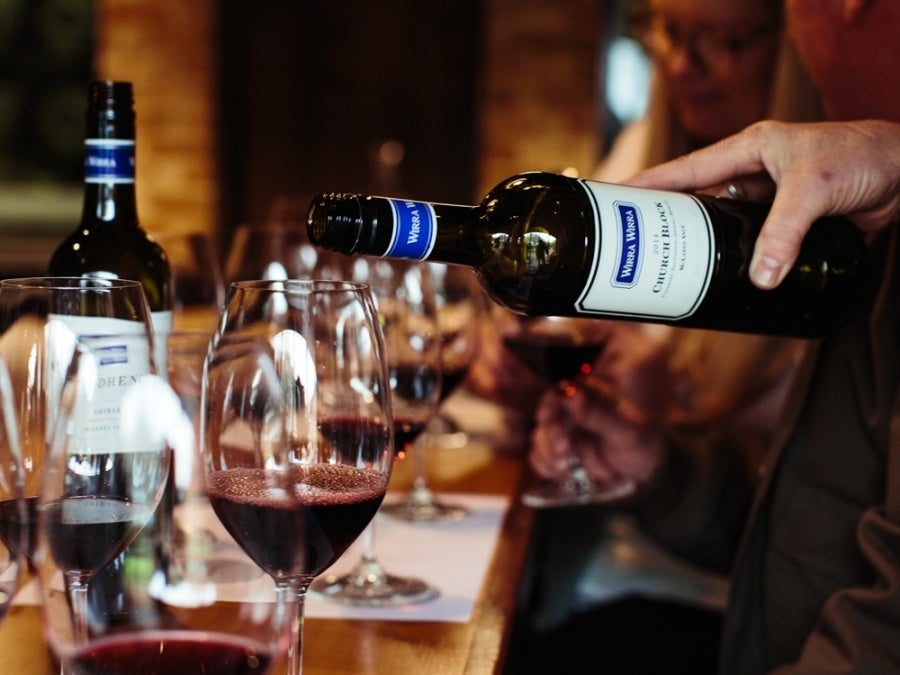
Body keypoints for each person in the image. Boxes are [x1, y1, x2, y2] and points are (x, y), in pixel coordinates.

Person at [526, 0, 900, 670]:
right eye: (667, 31)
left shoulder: (842, 205)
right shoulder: (868, 186)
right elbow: (805, 516)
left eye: (720, 40)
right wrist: (659, 465)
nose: (680, 63)